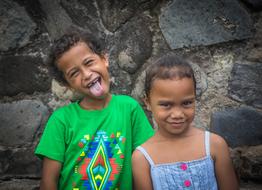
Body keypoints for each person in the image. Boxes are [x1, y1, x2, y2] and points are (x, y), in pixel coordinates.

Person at [35, 31, 154, 190]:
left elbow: (147, 162)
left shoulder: (129, 108)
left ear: (104, 59)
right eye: (74, 73)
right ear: (68, 84)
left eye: (89, 62)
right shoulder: (61, 120)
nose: (86, 74)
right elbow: (49, 182)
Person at [132, 53, 239, 190]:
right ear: (148, 103)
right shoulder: (142, 158)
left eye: (187, 103)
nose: (177, 114)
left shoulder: (215, 145)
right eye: (166, 105)